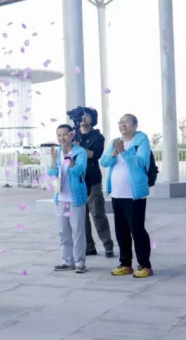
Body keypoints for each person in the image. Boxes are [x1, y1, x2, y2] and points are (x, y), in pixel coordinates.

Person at [101, 114, 154, 278]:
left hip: (134, 195)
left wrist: (123, 151)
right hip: (117, 194)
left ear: (135, 125)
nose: (122, 125)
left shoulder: (141, 140)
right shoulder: (115, 142)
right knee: (121, 230)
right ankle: (125, 264)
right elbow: (103, 162)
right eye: (120, 122)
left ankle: (145, 265)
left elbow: (141, 162)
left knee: (137, 230)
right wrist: (114, 152)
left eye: (127, 122)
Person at [49, 125, 89, 274]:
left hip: (76, 198)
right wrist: (54, 160)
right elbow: (52, 173)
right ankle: (67, 261)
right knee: (63, 231)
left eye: (64, 135)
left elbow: (78, 170)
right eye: (59, 135)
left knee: (78, 231)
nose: (62, 138)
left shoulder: (80, 152)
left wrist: (67, 157)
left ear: (71, 135)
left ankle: (80, 262)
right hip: (60, 197)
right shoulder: (57, 151)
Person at [74, 108, 114, 257]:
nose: (83, 118)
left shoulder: (97, 136)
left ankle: (107, 245)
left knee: (97, 213)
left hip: (93, 180)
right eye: (81, 115)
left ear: (93, 119)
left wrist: (78, 148)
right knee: (81, 216)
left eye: (87, 115)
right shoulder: (73, 135)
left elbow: (94, 155)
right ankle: (89, 246)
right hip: (77, 180)